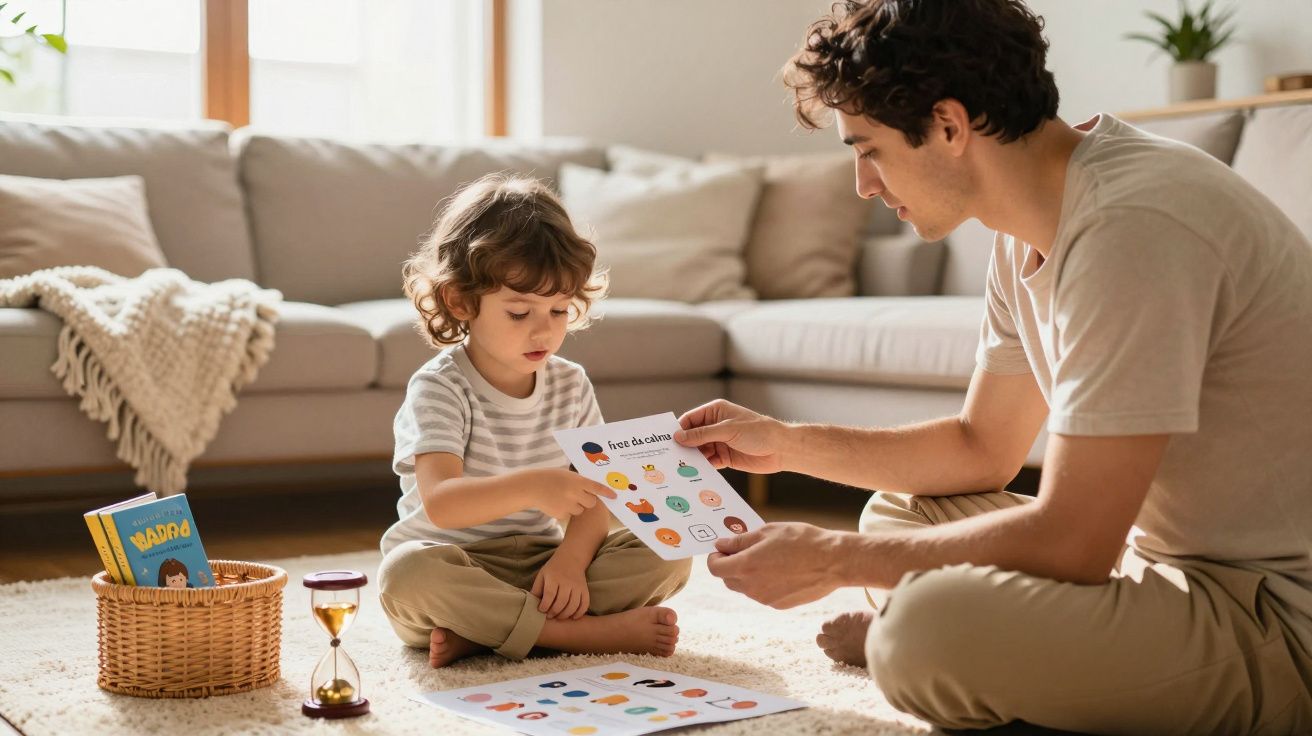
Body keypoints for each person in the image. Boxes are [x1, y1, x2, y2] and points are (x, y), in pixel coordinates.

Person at [674, 1, 1312, 732]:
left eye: (869, 148)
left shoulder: (1133, 228)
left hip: (1279, 616)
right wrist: (782, 442)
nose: (864, 186)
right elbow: (981, 450)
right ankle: (977, 647)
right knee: (900, 511)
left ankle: (921, 641)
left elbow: (1074, 544)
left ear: (948, 126)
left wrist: (833, 560)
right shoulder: (1029, 224)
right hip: (1164, 570)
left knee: (926, 634)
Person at [378, 173, 691, 668]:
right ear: (460, 301)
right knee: (406, 575)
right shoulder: (439, 387)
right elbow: (441, 505)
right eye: (519, 313)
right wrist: (533, 486)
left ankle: (487, 634)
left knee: (670, 544)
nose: (543, 329)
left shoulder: (570, 383)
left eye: (560, 309)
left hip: (543, 568)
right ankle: (577, 635)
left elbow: (595, 497)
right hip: (455, 563)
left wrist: (570, 559)